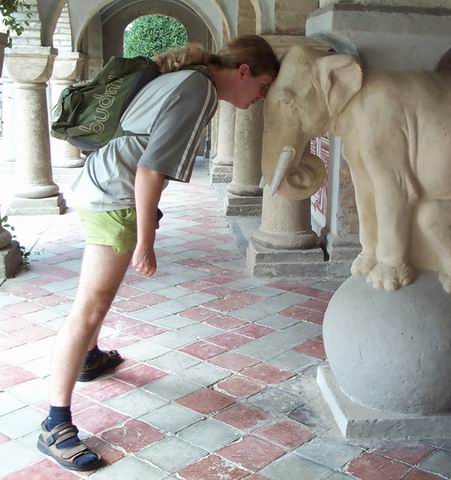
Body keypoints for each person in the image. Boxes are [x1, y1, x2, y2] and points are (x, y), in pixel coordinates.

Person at [36, 35, 279, 471]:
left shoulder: (190, 79)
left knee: (97, 301)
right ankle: (54, 423)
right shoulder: (200, 89)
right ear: (243, 72)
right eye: (263, 86)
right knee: (89, 307)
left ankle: (89, 357)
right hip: (114, 197)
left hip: (103, 183)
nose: (262, 96)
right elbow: (150, 170)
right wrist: (146, 240)